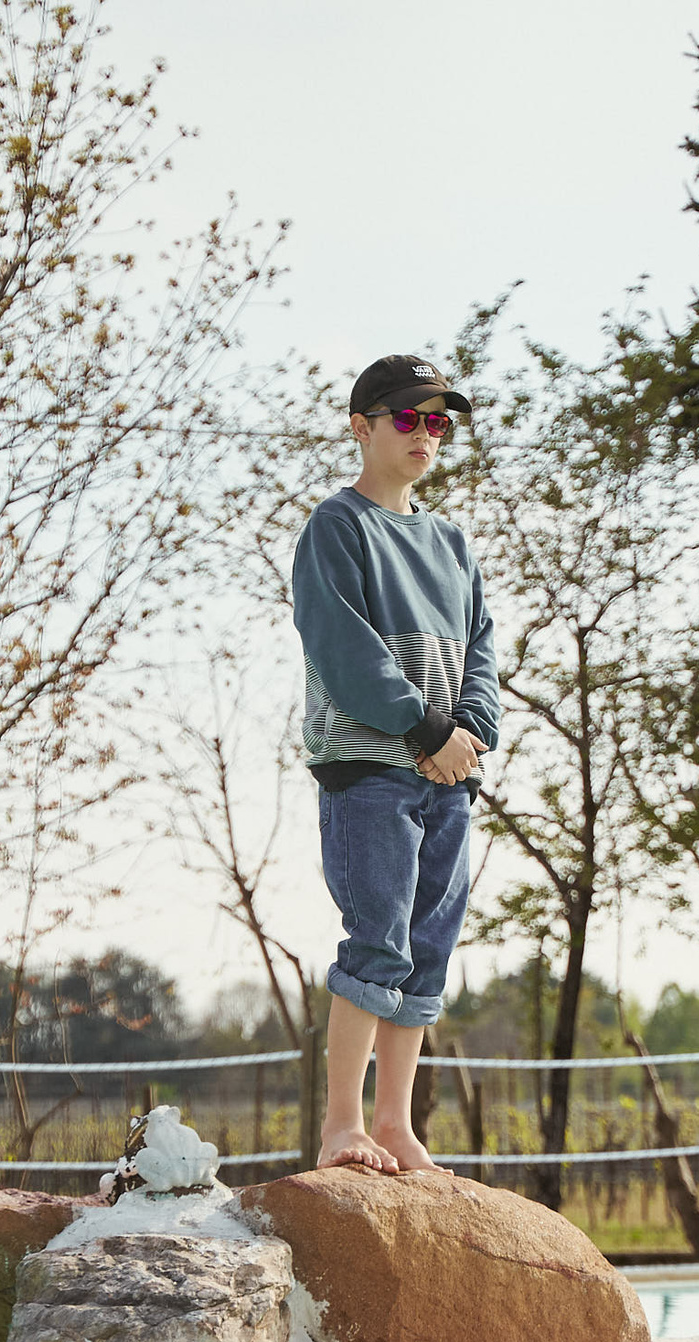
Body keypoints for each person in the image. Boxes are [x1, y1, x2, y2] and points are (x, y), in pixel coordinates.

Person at [291, 354, 498, 1172]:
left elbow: (481, 647)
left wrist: (469, 732)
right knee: (376, 939)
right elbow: (346, 651)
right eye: (407, 417)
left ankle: (394, 1123)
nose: (425, 434)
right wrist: (424, 728)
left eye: (438, 420)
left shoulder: (451, 543)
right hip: (371, 769)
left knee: (428, 947)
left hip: (449, 772)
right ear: (362, 426)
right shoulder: (337, 528)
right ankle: (341, 1123)